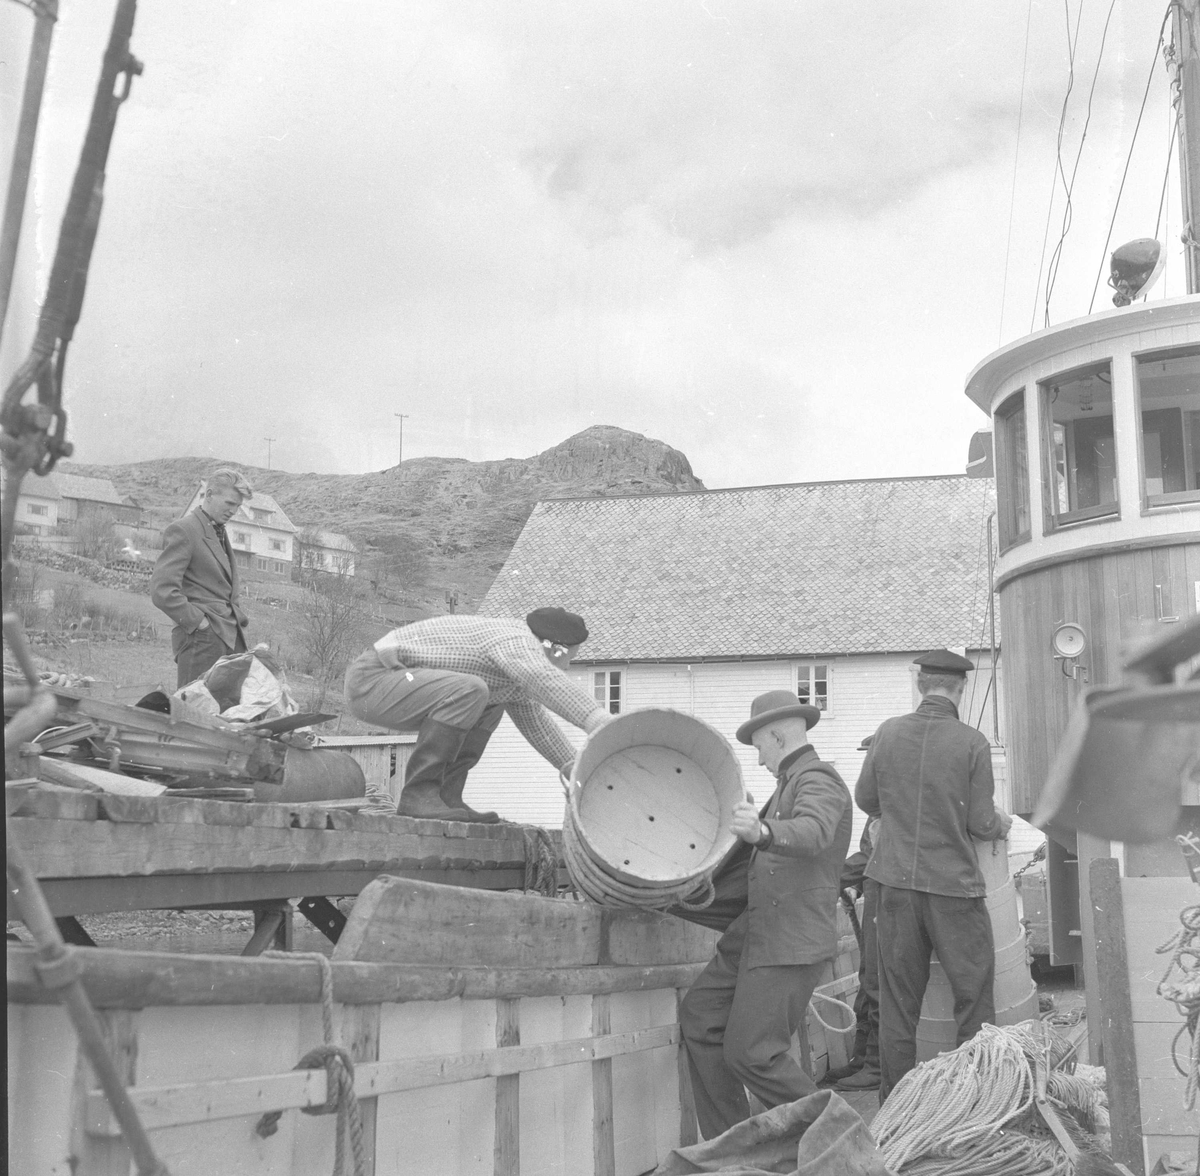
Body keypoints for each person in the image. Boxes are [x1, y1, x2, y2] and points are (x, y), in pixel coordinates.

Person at [679, 690, 852, 1140]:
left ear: (776, 736)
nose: (757, 760)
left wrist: (763, 830)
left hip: (789, 940)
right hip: (756, 935)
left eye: (758, 747)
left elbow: (813, 832)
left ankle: (844, 1143)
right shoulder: (785, 786)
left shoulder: (818, 779)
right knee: (700, 1017)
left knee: (753, 1053)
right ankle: (734, 1148)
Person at [854, 649, 1013, 1103]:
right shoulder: (972, 743)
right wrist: (1000, 824)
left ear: (921, 684)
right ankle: (975, 1105)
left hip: (894, 884)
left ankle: (897, 1110)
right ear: (960, 689)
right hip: (953, 890)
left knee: (898, 1006)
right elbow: (983, 822)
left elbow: (867, 799)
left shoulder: (887, 733)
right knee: (974, 1001)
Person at [343, 608, 612, 822]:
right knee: (471, 690)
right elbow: (542, 678)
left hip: (397, 685)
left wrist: (576, 769)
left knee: (490, 702)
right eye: (568, 659)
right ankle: (418, 794)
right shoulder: (515, 641)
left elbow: (538, 726)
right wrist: (598, 721)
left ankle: (447, 797)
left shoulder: (513, 674)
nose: (565, 668)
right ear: (556, 648)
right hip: (373, 680)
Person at [150, 469, 253, 689]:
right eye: (229, 503)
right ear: (209, 495)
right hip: (202, 641)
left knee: (223, 716)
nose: (234, 511)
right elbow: (162, 590)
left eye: (237, 506)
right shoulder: (185, 530)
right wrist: (200, 623)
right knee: (193, 713)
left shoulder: (217, 531)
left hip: (228, 639)